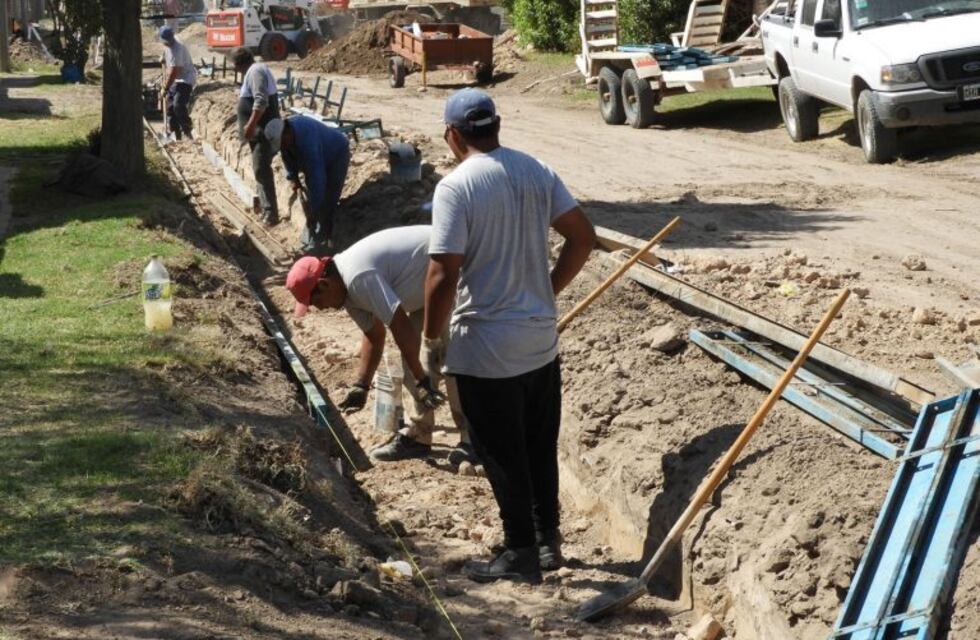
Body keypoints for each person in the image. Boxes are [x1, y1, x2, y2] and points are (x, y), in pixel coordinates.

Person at [422, 89, 595, 584]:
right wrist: (547, 289)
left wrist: (432, 341)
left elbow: (441, 275)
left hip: (487, 348)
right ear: (496, 126)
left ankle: (519, 551)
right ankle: (546, 542)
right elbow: (583, 237)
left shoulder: (456, 188)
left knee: (501, 452)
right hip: (540, 341)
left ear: (452, 136)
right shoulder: (535, 170)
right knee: (539, 445)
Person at [284, 226, 478, 465]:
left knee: (451, 360)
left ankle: (474, 440)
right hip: (424, 288)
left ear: (324, 285)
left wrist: (421, 379)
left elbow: (400, 326)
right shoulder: (345, 293)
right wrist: (361, 385)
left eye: (315, 302)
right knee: (415, 358)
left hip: (453, 269)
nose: (319, 309)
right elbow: (374, 335)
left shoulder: (358, 278)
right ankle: (418, 436)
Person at [265, 116, 350, 255]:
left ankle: (320, 247)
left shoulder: (308, 141)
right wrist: (293, 178)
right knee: (314, 205)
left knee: (327, 201)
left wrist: (313, 210)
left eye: (282, 143)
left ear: (286, 133)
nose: (282, 147)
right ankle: (308, 243)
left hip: (337, 155)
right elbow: (286, 156)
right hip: (320, 155)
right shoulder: (287, 139)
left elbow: (317, 179)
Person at [231, 47, 280, 225]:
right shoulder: (253, 71)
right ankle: (265, 208)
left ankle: (271, 213)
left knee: (261, 168)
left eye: (234, 66)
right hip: (257, 133)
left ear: (238, 64)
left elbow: (261, 100)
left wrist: (250, 124)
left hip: (263, 131)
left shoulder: (256, 71)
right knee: (259, 168)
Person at [159, 26, 196, 140]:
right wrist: (163, 57)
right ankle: (175, 135)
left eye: (169, 41)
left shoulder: (177, 48)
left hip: (185, 79)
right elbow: (166, 52)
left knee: (178, 105)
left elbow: (174, 72)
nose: (168, 43)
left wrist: (165, 88)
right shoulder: (168, 45)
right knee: (170, 109)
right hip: (175, 80)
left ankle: (187, 130)